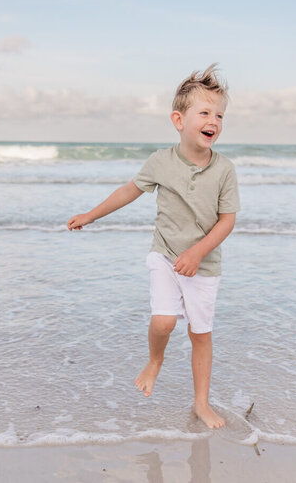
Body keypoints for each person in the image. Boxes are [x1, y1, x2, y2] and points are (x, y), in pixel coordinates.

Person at [67, 64, 240, 429]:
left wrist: (197, 253)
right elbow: (128, 191)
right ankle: (155, 360)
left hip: (204, 266)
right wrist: (91, 214)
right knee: (163, 323)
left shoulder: (224, 169)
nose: (214, 121)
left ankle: (201, 403)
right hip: (163, 255)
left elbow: (227, 220)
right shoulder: (160, 162)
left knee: (200, 333)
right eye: (205, 112)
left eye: (220, 114)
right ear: (179, 120)